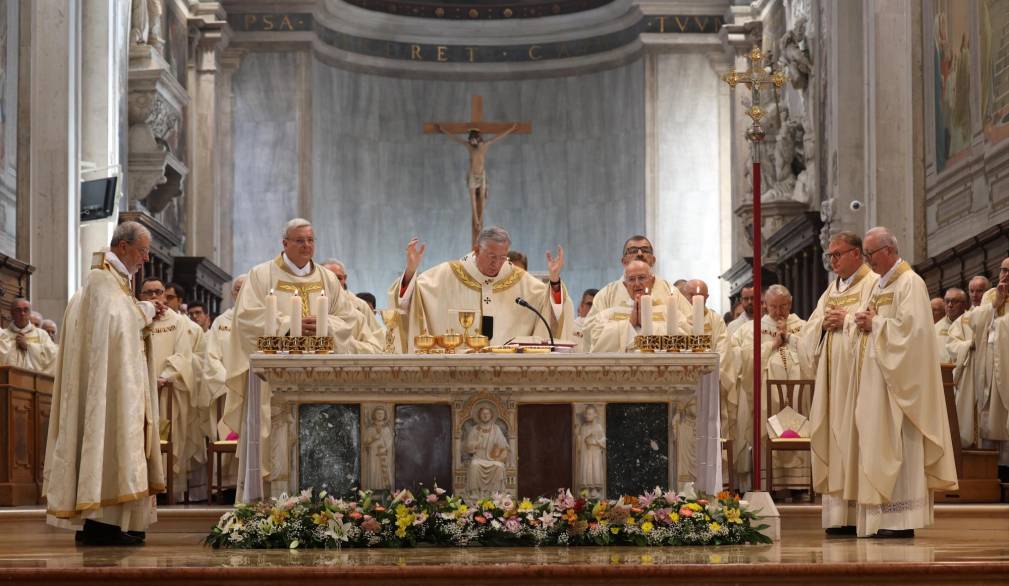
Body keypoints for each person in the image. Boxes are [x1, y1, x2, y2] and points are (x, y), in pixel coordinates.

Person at [225, 218, 381, 498]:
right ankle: (271, 500)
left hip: (321, 375)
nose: (306, 246)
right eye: (299, 241)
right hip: (272, 381)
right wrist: (289, 325)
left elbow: (347, 319)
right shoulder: (261, 276)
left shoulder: (327, 278)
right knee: (273, 437)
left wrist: (324, 327)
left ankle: (321, 497)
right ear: (284, 243)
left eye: (311, 240)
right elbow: (247, 318)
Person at [43, 221, 167, 545]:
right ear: (122, 247)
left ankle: (116, 523)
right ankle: (102, 526)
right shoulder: (102, 281)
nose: (146, 259)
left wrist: (141, 310)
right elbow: (119, 323)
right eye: (142, 251)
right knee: (108, 443)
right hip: (110, 390)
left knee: (119, 446)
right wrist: (146, 310)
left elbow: (121, 323)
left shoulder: (116, 283)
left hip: (118, 385)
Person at [848, 226, 957, 538]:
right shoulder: (877, 285)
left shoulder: (911, 283)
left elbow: (915, 334)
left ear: (889, 250)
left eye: (870, 254)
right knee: (875, 442)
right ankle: (880, 517)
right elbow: (870, 322)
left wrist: (875, 324)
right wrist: (861, 322)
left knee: (901, 445)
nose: (868, 262)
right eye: (866, 255)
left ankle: (901, 519)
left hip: (901, 386)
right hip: (876, 383)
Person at [798, 231, 879, 535]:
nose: (832, 261)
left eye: (837, 254)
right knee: (834, 437)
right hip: (832, 379)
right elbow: (811, 327)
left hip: (858, 380)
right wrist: (823, 324)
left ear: (856, 253)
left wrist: (845, 320)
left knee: (855, 437)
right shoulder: (832, 289)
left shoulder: (872, 283)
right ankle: (839, 516)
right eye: (830, 256)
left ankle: (859, 514)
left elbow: (874, 322)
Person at [389, 226, 573, 350]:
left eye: (502, 257)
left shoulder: (520, 280)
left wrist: (555, 280)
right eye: (492, 256)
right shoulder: (447, 274)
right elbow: (410, 297)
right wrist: (411, 271)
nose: (497, 263)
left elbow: (551, 305)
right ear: (477, 250)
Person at [724, 284, 809, 493]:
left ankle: (798, 484)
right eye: (773, 306)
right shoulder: (751, 329)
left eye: (783, 306)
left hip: (799, 395)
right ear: (765, 305)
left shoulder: (804, 326)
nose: (778, 312)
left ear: (790, 304)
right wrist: (771, 346)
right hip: (766, 398)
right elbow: (741, 358)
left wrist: (790, 338)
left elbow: (812, 354)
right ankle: (768, 482)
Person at [139, 277, 207, 502]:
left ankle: (169, 491)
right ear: (141, 296)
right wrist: (144, 379)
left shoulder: (180, 323)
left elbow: (183, 356)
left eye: (158, 292)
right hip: (140, 392)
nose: (154, 297)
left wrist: (163, 377)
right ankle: (140, 488)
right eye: (148, 293)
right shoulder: (137, 321)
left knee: (172, 441)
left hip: (169, 393)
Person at [946, 258, 1009, 469]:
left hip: (1006, 365)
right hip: (988, 367)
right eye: (1002, 270)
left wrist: (998, 325)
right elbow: (976, 321)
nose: (1005, 275)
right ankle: (993, 471)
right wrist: (994, 304)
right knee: (990, 420)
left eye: (1008, 271)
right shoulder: (991, 295)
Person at [581, 235, 694, 351]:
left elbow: (691, 329)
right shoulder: (607, 294)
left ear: (653, 260)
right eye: (633, 251)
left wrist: (648, 326)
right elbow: (590, 332)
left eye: (645, 250)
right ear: (623, 261)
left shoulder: (670, 292)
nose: (640, 254)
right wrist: (628, 324)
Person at [435, 123, 519, 244]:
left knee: (482, 196)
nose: (472, 143)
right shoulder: (469, 147)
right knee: (473, 197)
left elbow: (498, 137)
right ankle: (476, 219)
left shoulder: (485, 145)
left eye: (474, 140)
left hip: (482, 175)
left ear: (478, 138)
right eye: (471, 140)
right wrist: (443, 129)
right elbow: (456, 138)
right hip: (473, 175)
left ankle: (480, 217)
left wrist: (510, 129)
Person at [321, 259, 384, 342]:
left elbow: (378, 342)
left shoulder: (361, 306)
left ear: (345, 278)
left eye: (338, 278)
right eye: (328, 279)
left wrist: (345, 345)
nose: (334, 283)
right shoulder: (310, 303)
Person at [0, 298, 58, 374]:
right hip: (8, 380)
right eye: (18, 310)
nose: (22, 313)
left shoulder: (41, 335)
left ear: (30, 313)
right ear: (12, 313)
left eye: (26, 310)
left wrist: (29, 347)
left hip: (34, 382)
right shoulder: (3, 335)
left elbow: (53, 355)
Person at [935, 288, 967, 363]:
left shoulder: (972, 322)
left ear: (964, 304)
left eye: (954, 301)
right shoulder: (935, 328)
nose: (950, 305)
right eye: (947, 301)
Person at [572, 288, 598, 352]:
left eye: (596, 305)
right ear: (581, 306)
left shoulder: (606, 329)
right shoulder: (571, 328)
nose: (592, 308)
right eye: (589, 304)